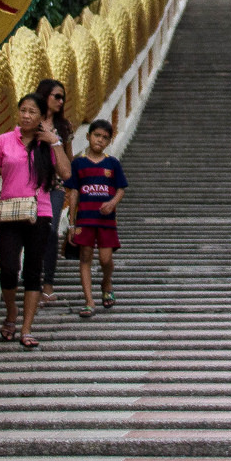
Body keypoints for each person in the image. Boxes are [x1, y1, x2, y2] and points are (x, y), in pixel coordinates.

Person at [0, 92, 71, 349]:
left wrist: (55, 142)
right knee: (9, 269)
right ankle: (11, 311)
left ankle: (26, 328)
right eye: (23, 110)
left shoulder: (48, 145)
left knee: (33, 271)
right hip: (9, 211)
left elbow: (66, 173)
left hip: (39, 212)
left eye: (32, 112)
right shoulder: (4, 141)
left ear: (42, 117)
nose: (26, 115)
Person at [66, 119, 128, 317]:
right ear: (88, 136)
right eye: (96, 135)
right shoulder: (79, 163)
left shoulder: (112, 163)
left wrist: (112, 203)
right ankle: (89, 300)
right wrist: (71, 223)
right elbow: (74, 192)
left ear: (109, 141)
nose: (99, 140)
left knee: (105, 259)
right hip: (85, 218)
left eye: (104, 137)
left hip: (106, 220)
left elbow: (120, 189)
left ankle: (106, 282)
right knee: (85, 257)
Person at [33, 79, 75, 300]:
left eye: (63, 98)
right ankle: (33, 280)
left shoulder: (64, 127)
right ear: (45, 95)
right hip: (30, 185)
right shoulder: (30, 122)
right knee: (32, 233)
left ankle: (47, 283)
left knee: (50, 231)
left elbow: (69, 159)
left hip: (55, 187)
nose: (60, 101)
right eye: (56, 96)